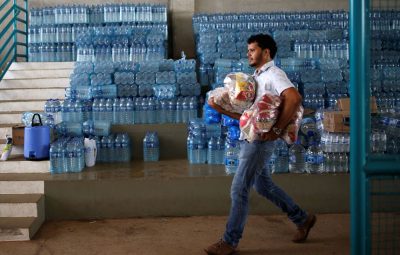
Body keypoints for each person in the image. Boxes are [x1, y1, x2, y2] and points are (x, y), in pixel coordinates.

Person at [204, 34, 316, 255]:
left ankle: (229, 241)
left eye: (253, 49)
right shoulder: (255, 78)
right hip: (251, 137)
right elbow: (250, 117)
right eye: (248, 50)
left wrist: (276, 130)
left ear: (266, 52)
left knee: (239, 189)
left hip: (260, 142)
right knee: (263, 185)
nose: (249, 53)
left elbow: (294, 98)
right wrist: (221, 109)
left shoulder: (274, 74)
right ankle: (302, 219)